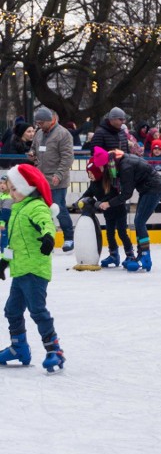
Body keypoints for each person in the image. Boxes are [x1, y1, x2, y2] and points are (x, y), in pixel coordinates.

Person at [0, 164, 64, 371]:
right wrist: (4, 260)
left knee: (37, 310)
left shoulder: (36, 206)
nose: (12, 193)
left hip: (35, 270)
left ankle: (54, 349)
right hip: (20, 271)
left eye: (15, 188)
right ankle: (19, 347)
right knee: (11, 310)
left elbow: (47, 224)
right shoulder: (17, 210)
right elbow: (13, 243)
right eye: (10, 189)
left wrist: (48, 237)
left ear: (28, 187)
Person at [97, 148, 161, 272]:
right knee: (138, 222)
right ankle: (141, 254)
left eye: (102, 168)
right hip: (147, 190)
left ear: (107, 165)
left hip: (153, 189)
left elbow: (127, 194)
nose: (101, 171)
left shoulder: (125, 166)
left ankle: (145, 256)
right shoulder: (120, 162)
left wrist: (109, 203)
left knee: (139, 222)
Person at [28, 107, 75, 252]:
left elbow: (67, 157)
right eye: (38, 123)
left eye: (41, 123)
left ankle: (68, 238)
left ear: (50, 121)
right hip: (40, 179)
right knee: (39, 210)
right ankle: (46, 237)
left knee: (59, 209)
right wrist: (32, 153)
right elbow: (34, 147)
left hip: (56, 180)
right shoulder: (39, 133)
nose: (39, 126)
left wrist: (59, 174)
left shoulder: (63, 134)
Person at [81, 147, 135, 268]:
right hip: (108, 213)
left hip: (119, 209)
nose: (90, 176)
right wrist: (80, 201)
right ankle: (114, 255)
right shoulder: (93, 184)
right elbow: (88, 193)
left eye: (91, 174)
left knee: (122, 233)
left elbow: (112, 195)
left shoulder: (108, 181)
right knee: (109, 233)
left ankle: (130, 254)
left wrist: (100, 202)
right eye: (88, 174)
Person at [0, 176, 12, 251]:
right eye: (0, 183)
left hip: (6, 223)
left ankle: (5, 258)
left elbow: (6, 213)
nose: (2, 185)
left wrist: (2, 223)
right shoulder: (2, 195)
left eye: (4, 183)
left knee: (5, 241)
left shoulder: (8, 197)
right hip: (3, 222)